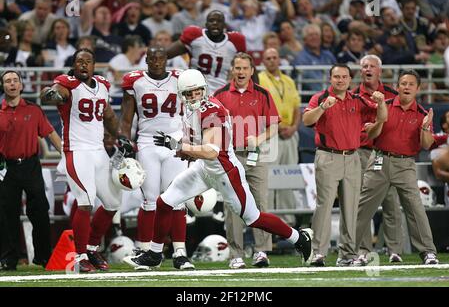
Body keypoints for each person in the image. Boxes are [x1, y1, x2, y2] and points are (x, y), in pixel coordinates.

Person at [122, 68, 313, 270]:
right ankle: (154, 253)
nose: (194, 96)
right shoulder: (189, 109)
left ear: (204, 89)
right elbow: (197, 145)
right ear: (182, 94)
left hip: (225, 172)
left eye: (197, 91)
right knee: (164, 202)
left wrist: (180, 147)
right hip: (205, 169)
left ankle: (299, 238)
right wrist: (185, 150)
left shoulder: (211, 110)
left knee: (253, 217)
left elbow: (212, 151)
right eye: (189, 93)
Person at [40, 48, 134, 273]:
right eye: (79, 61)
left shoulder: (102, 85)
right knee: (85, 202)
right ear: (74, 65)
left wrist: (120, 137)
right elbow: (52, 94)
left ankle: (91, 248)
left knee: (112, 203)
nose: (83, 64)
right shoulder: (67, 83)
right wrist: (50, 94)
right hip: (76, 152)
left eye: (88, 61)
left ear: (94, 66)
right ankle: (79, 256)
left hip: (99, 152)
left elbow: (109, 115)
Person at [302, 63, 387, 267]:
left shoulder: (357, 100)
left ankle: (347, 254)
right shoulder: (320, 98)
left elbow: (382, 118)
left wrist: (382, 102)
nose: (340, 80)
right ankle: (318, 253)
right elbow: (306, 120)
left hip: (352, 157)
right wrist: (323, 107)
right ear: (330, 79)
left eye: (344, 77)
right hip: (328, 156)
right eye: (336, 77)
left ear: (350, 80)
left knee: (351, 207)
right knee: (324, 205)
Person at [354, 69, 439, 265]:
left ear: (418, 89)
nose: (406, 87)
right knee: (364, 207)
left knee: (415, 208)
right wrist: (376, 122)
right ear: (398, 86)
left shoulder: (423, 114)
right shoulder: (386, 105)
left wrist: (426, 127)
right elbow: (372, 135)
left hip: (405, 164)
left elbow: (426, 144)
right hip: (379, 160)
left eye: (411, 84)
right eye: (403, 83)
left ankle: (428, 251)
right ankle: (359, 252)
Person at [120, 46, 194, 270]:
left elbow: (192, 110)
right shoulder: (135, 81)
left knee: (177, 198)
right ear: (146, 60)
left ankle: (180, 253)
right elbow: (126, 117)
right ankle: (147, 251)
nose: (156, 62)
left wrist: (191, 140)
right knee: (150, 199)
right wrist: (125, 139)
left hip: (174, 143)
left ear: (167, 59)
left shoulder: (180, 78)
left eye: (160, 58)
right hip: (148, 142)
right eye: (152, 58)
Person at [214, 52, 279, 269]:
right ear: (232, 70)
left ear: (252, 71)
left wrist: (258, 138)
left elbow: (274, 125)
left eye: (245, 68)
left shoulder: (263, 94)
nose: (241, 72)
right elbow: (211, 126)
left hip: (256, 156)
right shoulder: (220, 95)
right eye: (237, 68)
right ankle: (236, 254)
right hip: (230, 156)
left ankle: (261, 252)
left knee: (260, 202)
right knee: (232, 205)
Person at [0, 70, 61, 271]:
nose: (12, 84)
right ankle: (9, 259)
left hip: (31, 165)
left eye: (15, 80)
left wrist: (67, 155)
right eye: (7, 81)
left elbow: (50, 133)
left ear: (21, 86)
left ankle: (43, 256)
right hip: (6, 168)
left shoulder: (34, 110)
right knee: (7, 214)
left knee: (40, 211)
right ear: (3, 86)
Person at [352, 55, 404, 264]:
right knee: (363, 203)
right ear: (360, 71)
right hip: (362, 152)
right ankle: (364, 249)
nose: (368, 69)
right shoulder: (352, 95)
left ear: (380, 71)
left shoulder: (393, 94)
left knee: (391, 202)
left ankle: (394, 249)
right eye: (364, 66)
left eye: (372, 66)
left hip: (385, 152)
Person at [258, 48, 301, 227]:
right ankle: (268, 222)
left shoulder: (288, 80)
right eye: (268, 58)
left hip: (290, 134)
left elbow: (297, 107)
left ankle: (288, 222)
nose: (272, 61)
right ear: (263, 60)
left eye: (275, 57)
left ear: (279, 60)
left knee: (288, 176)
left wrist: (293, 127)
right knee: (268, 178)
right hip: (270, 135)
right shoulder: (259, 79)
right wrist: (278, 126)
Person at [167, 10, 246, 93]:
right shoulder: (195, 37)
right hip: (195, 89)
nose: (215, 23)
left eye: (219, 21)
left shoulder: (235, 42)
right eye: (211, 20)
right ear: (206, 24)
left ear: (224, 25)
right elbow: (165, 55)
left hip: (221, 92)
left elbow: (249, 68)